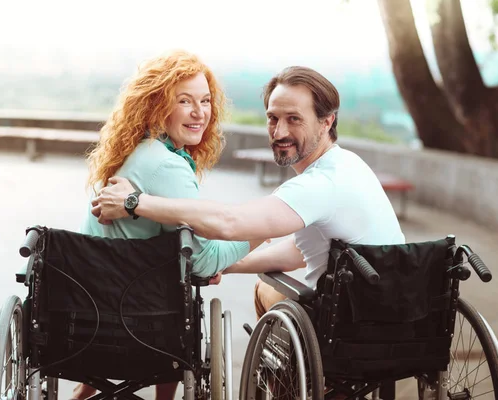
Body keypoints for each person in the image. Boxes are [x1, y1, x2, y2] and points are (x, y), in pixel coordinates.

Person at [91, 65, 406, 321]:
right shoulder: (350, 164)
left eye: (294, 119)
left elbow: (229, 223)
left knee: (264, 291)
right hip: (395, 312)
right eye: (273, 118)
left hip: (347, 321)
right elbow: (302, 251)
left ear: (327, 122)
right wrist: (227, 265)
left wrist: (136, 202)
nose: (279, 132)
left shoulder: (318, 184)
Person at [72, 50, 265, 400]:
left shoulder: (136, 153)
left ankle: (84, 392)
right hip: (143, 323)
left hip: (89, 314)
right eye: (185, 101)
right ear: (158, 107)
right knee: (179, 300)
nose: (200, 112)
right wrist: (259, 233)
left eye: (205, 101)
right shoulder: (167, 167)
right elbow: (204, 261)